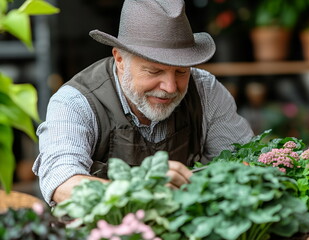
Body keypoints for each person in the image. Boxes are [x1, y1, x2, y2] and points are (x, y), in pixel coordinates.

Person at [32, 0, 254, 206]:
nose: (170, 87)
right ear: (120, 59)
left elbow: (246, 162)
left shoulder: (205, 90)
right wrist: (140, 189)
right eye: (154, 70)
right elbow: (61, 184)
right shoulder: (75, 101)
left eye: (180, 71)